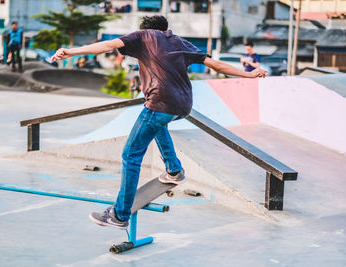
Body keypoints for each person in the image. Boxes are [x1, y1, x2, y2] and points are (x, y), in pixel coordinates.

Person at [51, 16, 266, 230]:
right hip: (182, 106)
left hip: (159, 103)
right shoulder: (181, 42)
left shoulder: (143, 36)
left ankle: (120, 214)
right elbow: (216, 65)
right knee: (157, 125)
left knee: (130, 155)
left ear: (147, 30)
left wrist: (71, 52)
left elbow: (107, 45)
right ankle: (174, 170)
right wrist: (249, 74)